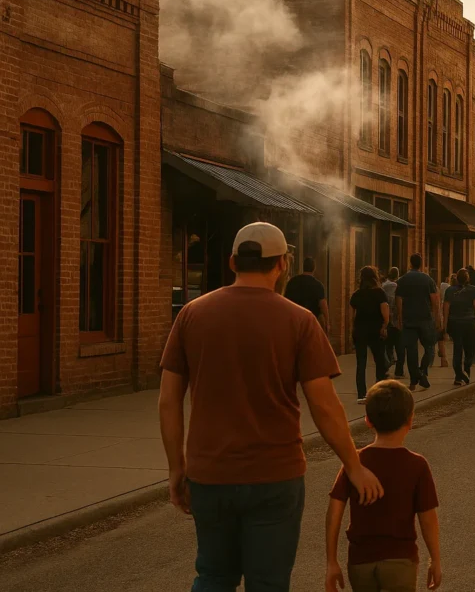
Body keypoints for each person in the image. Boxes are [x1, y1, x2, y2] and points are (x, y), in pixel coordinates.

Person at [158, 222, 383, 592]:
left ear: (232, 262)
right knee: (269, 583)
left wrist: (176, 469)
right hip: (275, 476)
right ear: (282, 264)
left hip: (210, 474)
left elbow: (168, 401)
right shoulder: (300, 321)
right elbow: (324, 407)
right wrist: (353, 466)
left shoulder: (192, 315)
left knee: (213, 576)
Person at [325, 380, 441, 592]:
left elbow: (335, 509)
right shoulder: (417, 465)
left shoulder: (355, 463)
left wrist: (332, 561)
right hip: (400, 560)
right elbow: (428, 519)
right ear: (410, 420)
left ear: (368, 420)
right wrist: (435, 559)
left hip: (360, 561)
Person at [395, 253, 440, 391]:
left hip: (409, 319)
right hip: (425, 318)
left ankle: (415, 379)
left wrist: (400, 319)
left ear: (410, 263)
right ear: (421, 264)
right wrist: (436, 318)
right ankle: (422, 371)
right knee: (430, 347)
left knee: (411, 351)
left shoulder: (402, 280)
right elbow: (434, 301)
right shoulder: (427, 279)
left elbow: (399, 301)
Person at [349, 266, 390, 403]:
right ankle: (379, 392)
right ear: (374, 277)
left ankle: (361, 394)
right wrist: (384, 326)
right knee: (380, 362)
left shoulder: (356, 295)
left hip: (360, 330)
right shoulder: (379, 293)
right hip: (375, 331)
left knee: (361, 363)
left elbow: (352, 316)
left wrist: (352, 330)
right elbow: (385, 313)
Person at [442, 268, 475, 386]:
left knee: (457, 349)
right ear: (468, 278)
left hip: (454, 322)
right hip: (468, 322)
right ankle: (465, 371)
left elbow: (446, 309)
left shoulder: (450, 291)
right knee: (470, 350)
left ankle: (458, 376)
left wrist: (444, 326)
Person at [284, 256, 330, 333]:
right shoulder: (318, 285)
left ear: (303, 267)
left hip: (294, 322)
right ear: (314, 268)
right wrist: (327, 323)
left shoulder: (292, 282)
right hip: (311, 323)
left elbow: (285, 301)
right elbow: (323, 306)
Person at [382, 267, 405, 379]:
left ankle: (386, 366)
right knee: (400, 347)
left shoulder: (383, 287)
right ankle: (399, 371)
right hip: (397, 320)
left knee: (388, 346)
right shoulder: (398, 287)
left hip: (387, 320)